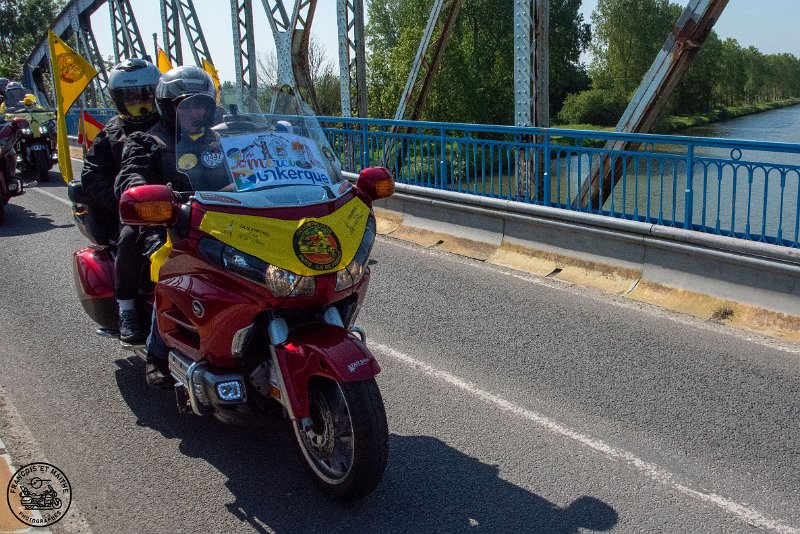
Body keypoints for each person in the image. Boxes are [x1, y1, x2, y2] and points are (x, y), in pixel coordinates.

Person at [115, 65, 219, 387]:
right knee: (170, 268)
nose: (195, 112)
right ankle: (155, 352)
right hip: (166, 224)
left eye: (201, 105)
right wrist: (143, 191)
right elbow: (130, 175)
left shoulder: (221, 140)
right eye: (186, 106)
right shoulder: (146, 141)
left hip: (222, 223)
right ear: (168, 108)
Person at [80, 58, 161, 345]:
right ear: (118, 100)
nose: (140, 106)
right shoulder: (111, 134)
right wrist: (125, 202)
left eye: (146, 97)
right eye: (131, 99)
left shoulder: (173, 124)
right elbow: (91, 177)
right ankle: (126, 309)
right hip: (132, 209)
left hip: (172, 203)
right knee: (129, 238)